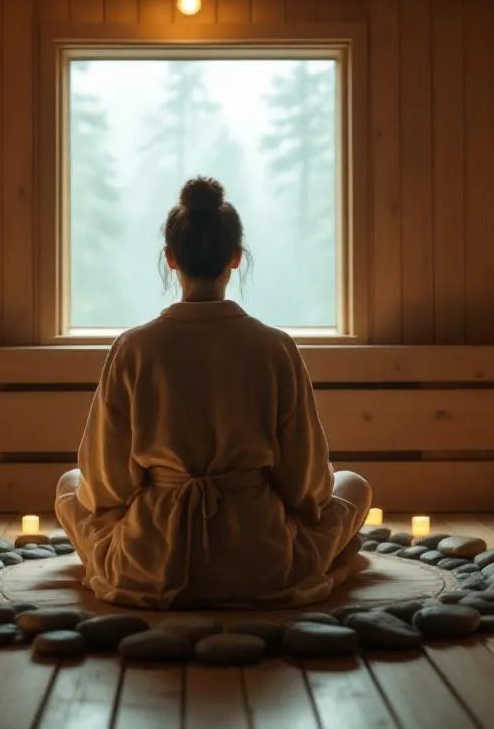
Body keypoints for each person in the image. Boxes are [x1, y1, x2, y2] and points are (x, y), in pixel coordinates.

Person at [54, 176, 373, 610]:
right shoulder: (274, 346)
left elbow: (107, 483)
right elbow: (307, 486)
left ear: (169, 258)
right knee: (353, 486)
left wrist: (128, 510)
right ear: (237, 258)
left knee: (70, 484)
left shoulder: (134, 347)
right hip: (260, 559)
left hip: (151, 560)